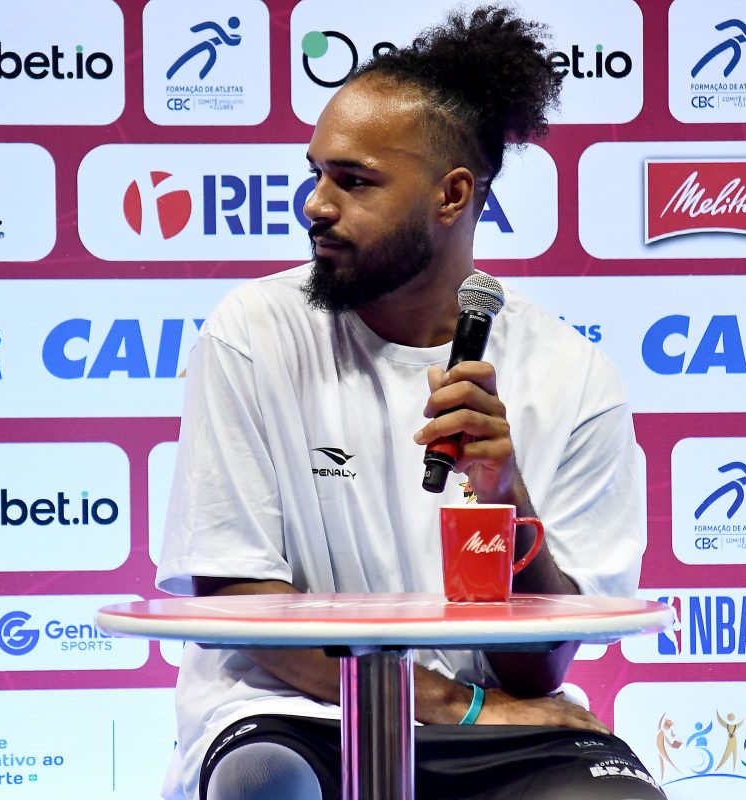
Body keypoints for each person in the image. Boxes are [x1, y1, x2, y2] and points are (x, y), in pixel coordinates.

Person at [156, 6, 660, 799]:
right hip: (294, 714)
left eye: (353, 181)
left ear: (452, 195)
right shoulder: (252, 331)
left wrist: (508, 500)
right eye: (317, 172)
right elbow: (238, 603)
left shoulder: (574, 373)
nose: (316, 204)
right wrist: (457, 706)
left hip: (501, 724)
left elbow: (541, 668)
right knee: (265, 785)